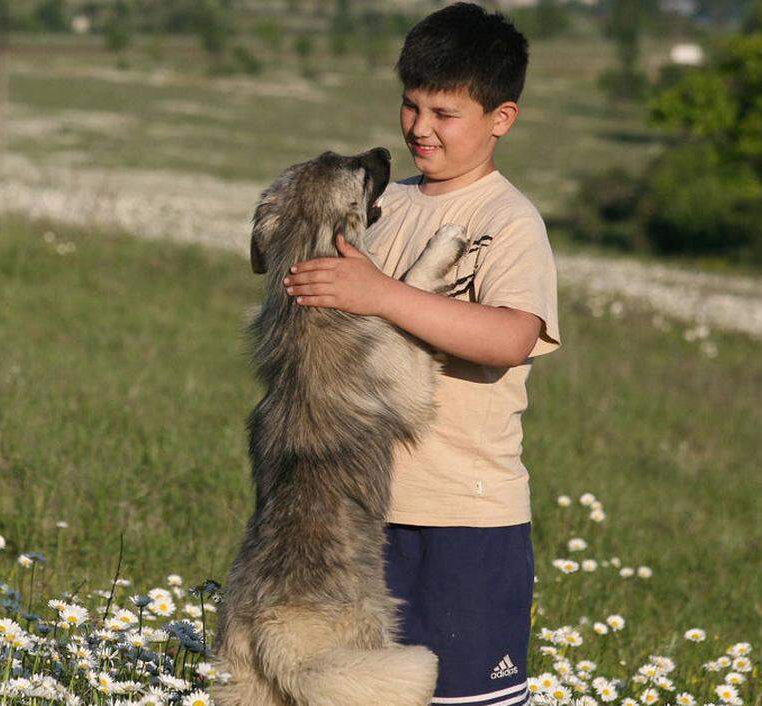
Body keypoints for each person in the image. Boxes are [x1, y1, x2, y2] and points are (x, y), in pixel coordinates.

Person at [278, 4, 561, 705]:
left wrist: (379, 294)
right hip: (356, 516)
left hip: (464, 519)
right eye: (410, 106)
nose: (419, 128)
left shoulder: (508, 220)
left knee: (464, 697)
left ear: (502, 118)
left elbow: (510, 337)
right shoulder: (387, 204)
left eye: (445, 112)